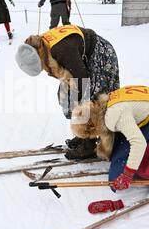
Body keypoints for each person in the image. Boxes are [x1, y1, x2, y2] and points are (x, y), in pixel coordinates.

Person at [16, 24, 119, 159]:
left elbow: (82, 80)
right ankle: (82, 136)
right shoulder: (41, 45)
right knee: (65, 97)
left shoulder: (61, 50)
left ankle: (88, 143)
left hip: (101, 54)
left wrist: (80, 109)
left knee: (92, 100)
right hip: (81, 59)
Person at [70, 85, 149, 192]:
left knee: (143, 158)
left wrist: (127, 173)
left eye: (88, 136)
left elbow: (139, 143)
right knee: (131, 142)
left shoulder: (115, 115)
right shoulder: (108, 100)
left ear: (92, 128)